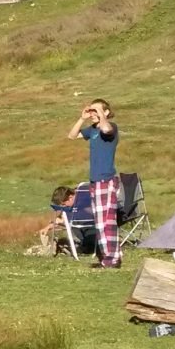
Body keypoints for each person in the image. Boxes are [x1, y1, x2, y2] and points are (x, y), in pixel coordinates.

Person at [67, 98, 121, 268]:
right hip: (95, 180)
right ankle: (108, 257)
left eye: (96, 112)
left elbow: (106, 128)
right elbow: (72, 136)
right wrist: (82, 118)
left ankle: (111, 259)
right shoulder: (92, 130)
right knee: (100, 222)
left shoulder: (111, 128)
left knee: (107, 220)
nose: (93, 115)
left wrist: (100, 112)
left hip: (106, 179)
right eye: (92, 112)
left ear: (105, 112)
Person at [38, 183, 95, 256]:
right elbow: (62, 216)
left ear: (70, 197)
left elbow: (87, 217)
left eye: (64, 204)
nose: (63, 207)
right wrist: (48, 227)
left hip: (95, 230)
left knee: (88, 245)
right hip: (85, 231)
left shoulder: (84, 198)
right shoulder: (72, 202)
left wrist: (62, 221)